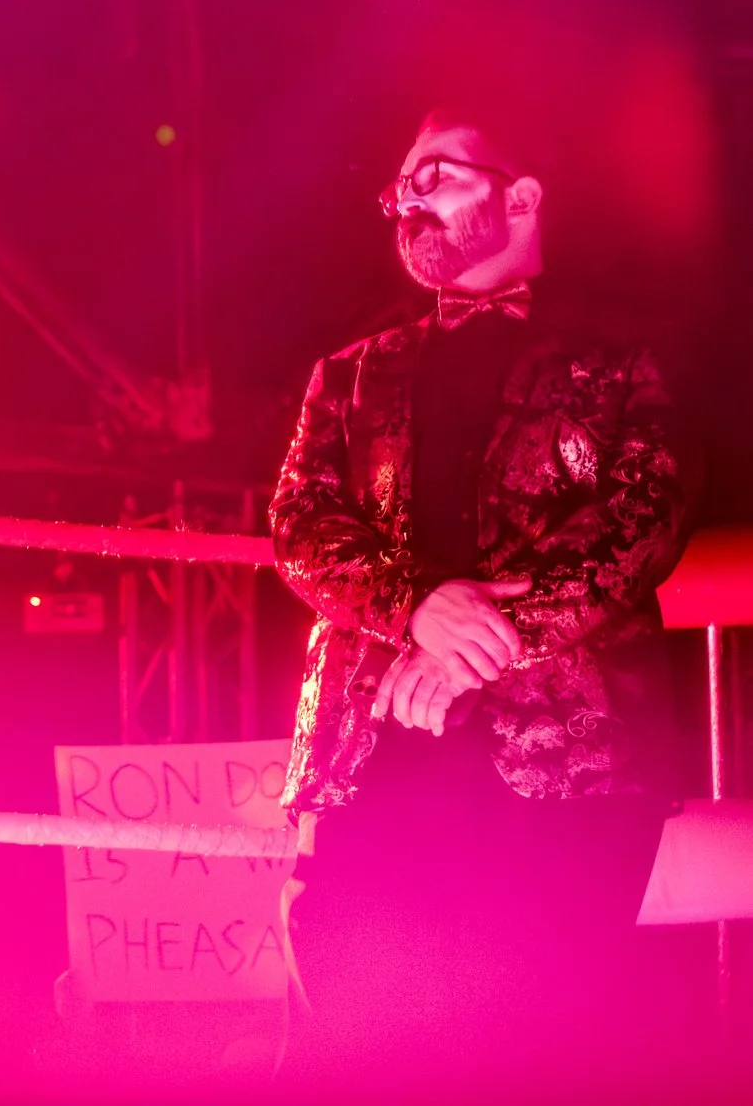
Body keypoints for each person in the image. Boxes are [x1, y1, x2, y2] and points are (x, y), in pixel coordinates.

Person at [270, 107, 688, 1082]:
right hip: (371, 757)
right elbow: (300, 526)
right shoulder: (347, 373)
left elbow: (644, 515)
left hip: (571, 769)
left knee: (551, 1053)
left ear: (522, 194)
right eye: (396, 190)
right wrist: (417, 604)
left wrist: (483, 634)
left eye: (435, 176)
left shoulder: (622, 361)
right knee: (361, 1047)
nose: (406, 202)